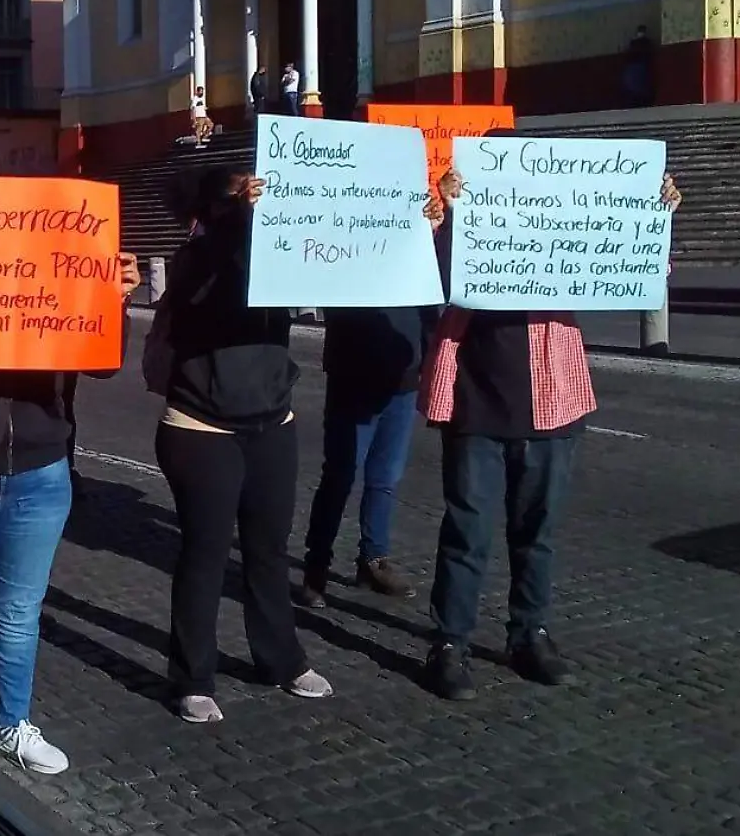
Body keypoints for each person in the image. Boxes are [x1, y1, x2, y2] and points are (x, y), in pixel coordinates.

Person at [418, 170, 682, 701]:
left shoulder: (560, 218)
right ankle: (450, 643)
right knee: (467, 532)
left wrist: (655, 213)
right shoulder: (451, 222)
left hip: (553, 399)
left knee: (537, 532)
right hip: (474, 402)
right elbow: (432, 278)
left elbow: (632, 266)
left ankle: (529, 635)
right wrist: (446, 217)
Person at [0, 246, 141, 818]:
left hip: (40, 472)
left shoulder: (61, 282)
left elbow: (103, 362)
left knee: (18, 613)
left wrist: (115, 300)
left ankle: (11, 726)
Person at [153, 167, 332, 726]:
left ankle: (281, 658)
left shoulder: (279, 251)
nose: (248, 200)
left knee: (268, 550)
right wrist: (240, 218)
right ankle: (192, 675)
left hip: (272, 420)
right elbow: (220, 272)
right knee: (205, 554)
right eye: (235, 193)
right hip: (201, 426)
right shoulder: (194, 259)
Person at [297, 301, 440, 607]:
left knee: (385, 477)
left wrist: (427, 358)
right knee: (340, 476)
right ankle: (317, 566)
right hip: (353, 375)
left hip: (403, 379)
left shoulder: (417, 256)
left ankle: (373, 559)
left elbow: (429, 309)